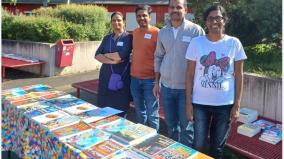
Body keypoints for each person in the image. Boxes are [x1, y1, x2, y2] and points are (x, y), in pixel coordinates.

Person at [185, 4, 247, 159]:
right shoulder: (196, 43)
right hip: (200, 104)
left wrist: (237, 105)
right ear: (205, 22)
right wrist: (188, 103)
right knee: (198, 144)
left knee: (217, 148)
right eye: (210, 18)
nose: (214, 21)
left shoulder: (234, 43)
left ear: (224, 20)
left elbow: (239, 75)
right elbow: (189, 74)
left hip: (225, 105)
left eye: (218, 18)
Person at [153, 0, 204, 146]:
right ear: (168, 9)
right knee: (171, 125)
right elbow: (158, 56)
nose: (175, 10)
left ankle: (186, 154)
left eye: (179, 7)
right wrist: (156, 82)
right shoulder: (163, 32)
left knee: (187, 128)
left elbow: (202, 61)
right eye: (172, 7)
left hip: (186, 90)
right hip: (167, 88)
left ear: (185, 10)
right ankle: (173, 153)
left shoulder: (196, 31)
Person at [95, 12, 133, 117]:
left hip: (122, 79)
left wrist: (106, 55)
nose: (116, 22)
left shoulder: (129, 37)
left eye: (119, 20)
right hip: (106, 77)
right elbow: (97, 55)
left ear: (124, 22)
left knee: (119, 110)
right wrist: (112, 61)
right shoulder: (107, 38)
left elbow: (122, 55)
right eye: (113, 20)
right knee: (104, 109)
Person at [130, 5, 160, 131]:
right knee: (139, 112)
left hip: (150, 80)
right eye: (139, 16)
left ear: (149, 16)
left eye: (144, 15)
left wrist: (157, 82)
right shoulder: (135, 32)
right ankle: (142, 137)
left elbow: (161, 57)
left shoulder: (157, 33)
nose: (141, 18)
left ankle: (155, 140)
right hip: (134, 79)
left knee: (152, 114)